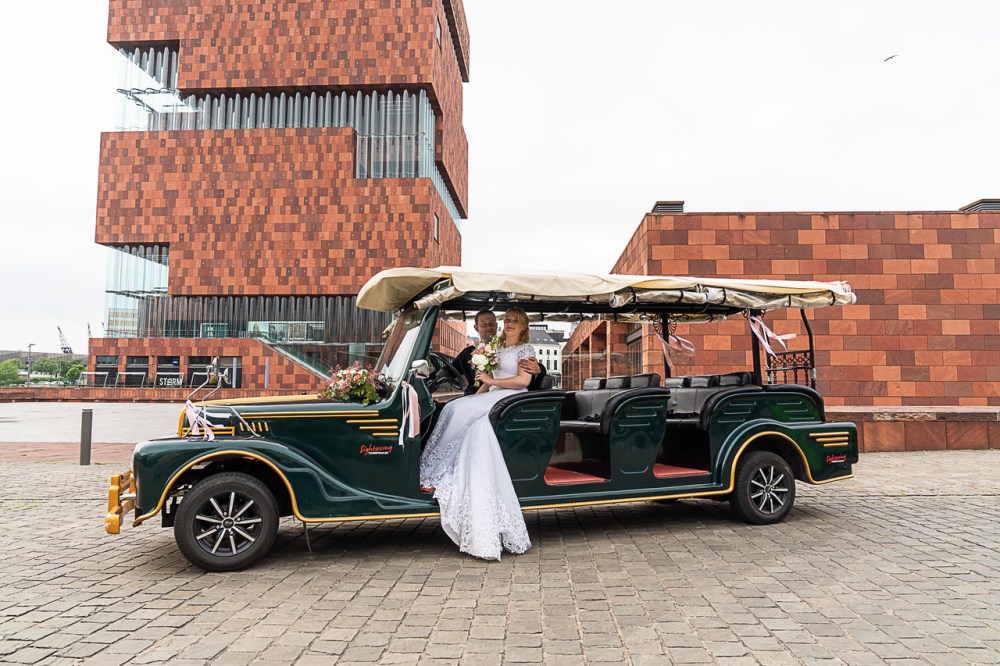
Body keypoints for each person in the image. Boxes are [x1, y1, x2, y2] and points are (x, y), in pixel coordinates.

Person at [420, 307, 535, 560]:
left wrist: (491, 384)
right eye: (509, 320)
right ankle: (434, 466)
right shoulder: (499, 347)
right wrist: (474, 396)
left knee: (459, 412)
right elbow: (486, 379)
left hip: (512, 397)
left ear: (524, 326)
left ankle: (439, 465)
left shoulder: (525, 351)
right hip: (495, 393)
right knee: (453, 407)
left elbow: (523, 382)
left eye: (516, 321)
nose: (510, 324)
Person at [452, 309, 547, 396]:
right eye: (484, 325)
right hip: (478, 392)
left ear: (497, 326)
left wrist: (539, 369)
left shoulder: (523, 349)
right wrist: (475, 397)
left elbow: (527, 372)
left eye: (491, 324)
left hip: (508, 395)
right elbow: (450, 369)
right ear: (476, 328)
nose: (488, 328)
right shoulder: (469, 352)